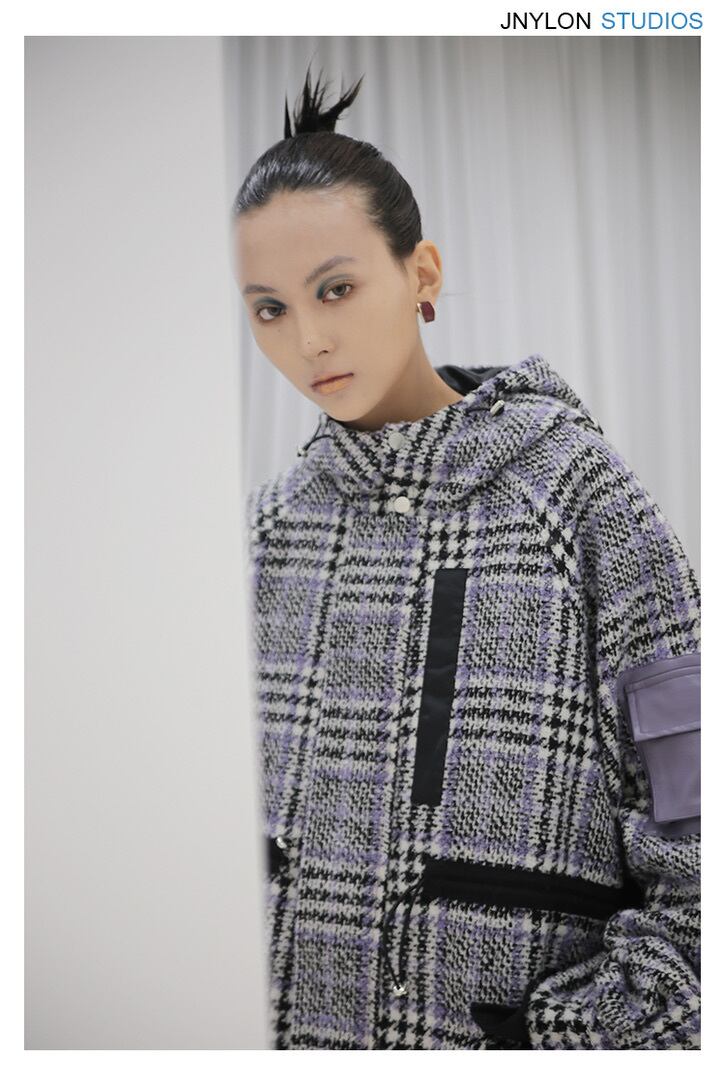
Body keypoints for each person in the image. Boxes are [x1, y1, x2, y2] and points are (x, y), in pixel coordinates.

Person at [231, 63, 701, 1050]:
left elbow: (697, 826)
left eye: (335, 288)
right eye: (269, 308)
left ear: (422, 274)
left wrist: (562, 1042)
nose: (308, 339)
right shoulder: (265, 534)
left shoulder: (580, 502)